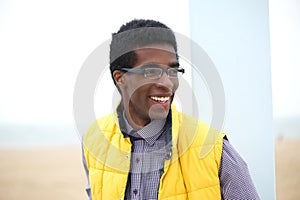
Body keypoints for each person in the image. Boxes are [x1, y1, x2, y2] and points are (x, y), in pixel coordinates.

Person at [82, 19, 260, 200]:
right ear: (120, 78)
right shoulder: (95, 140)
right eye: (151, 72)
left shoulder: (214, 148)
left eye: (173, 72)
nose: (167, 84)